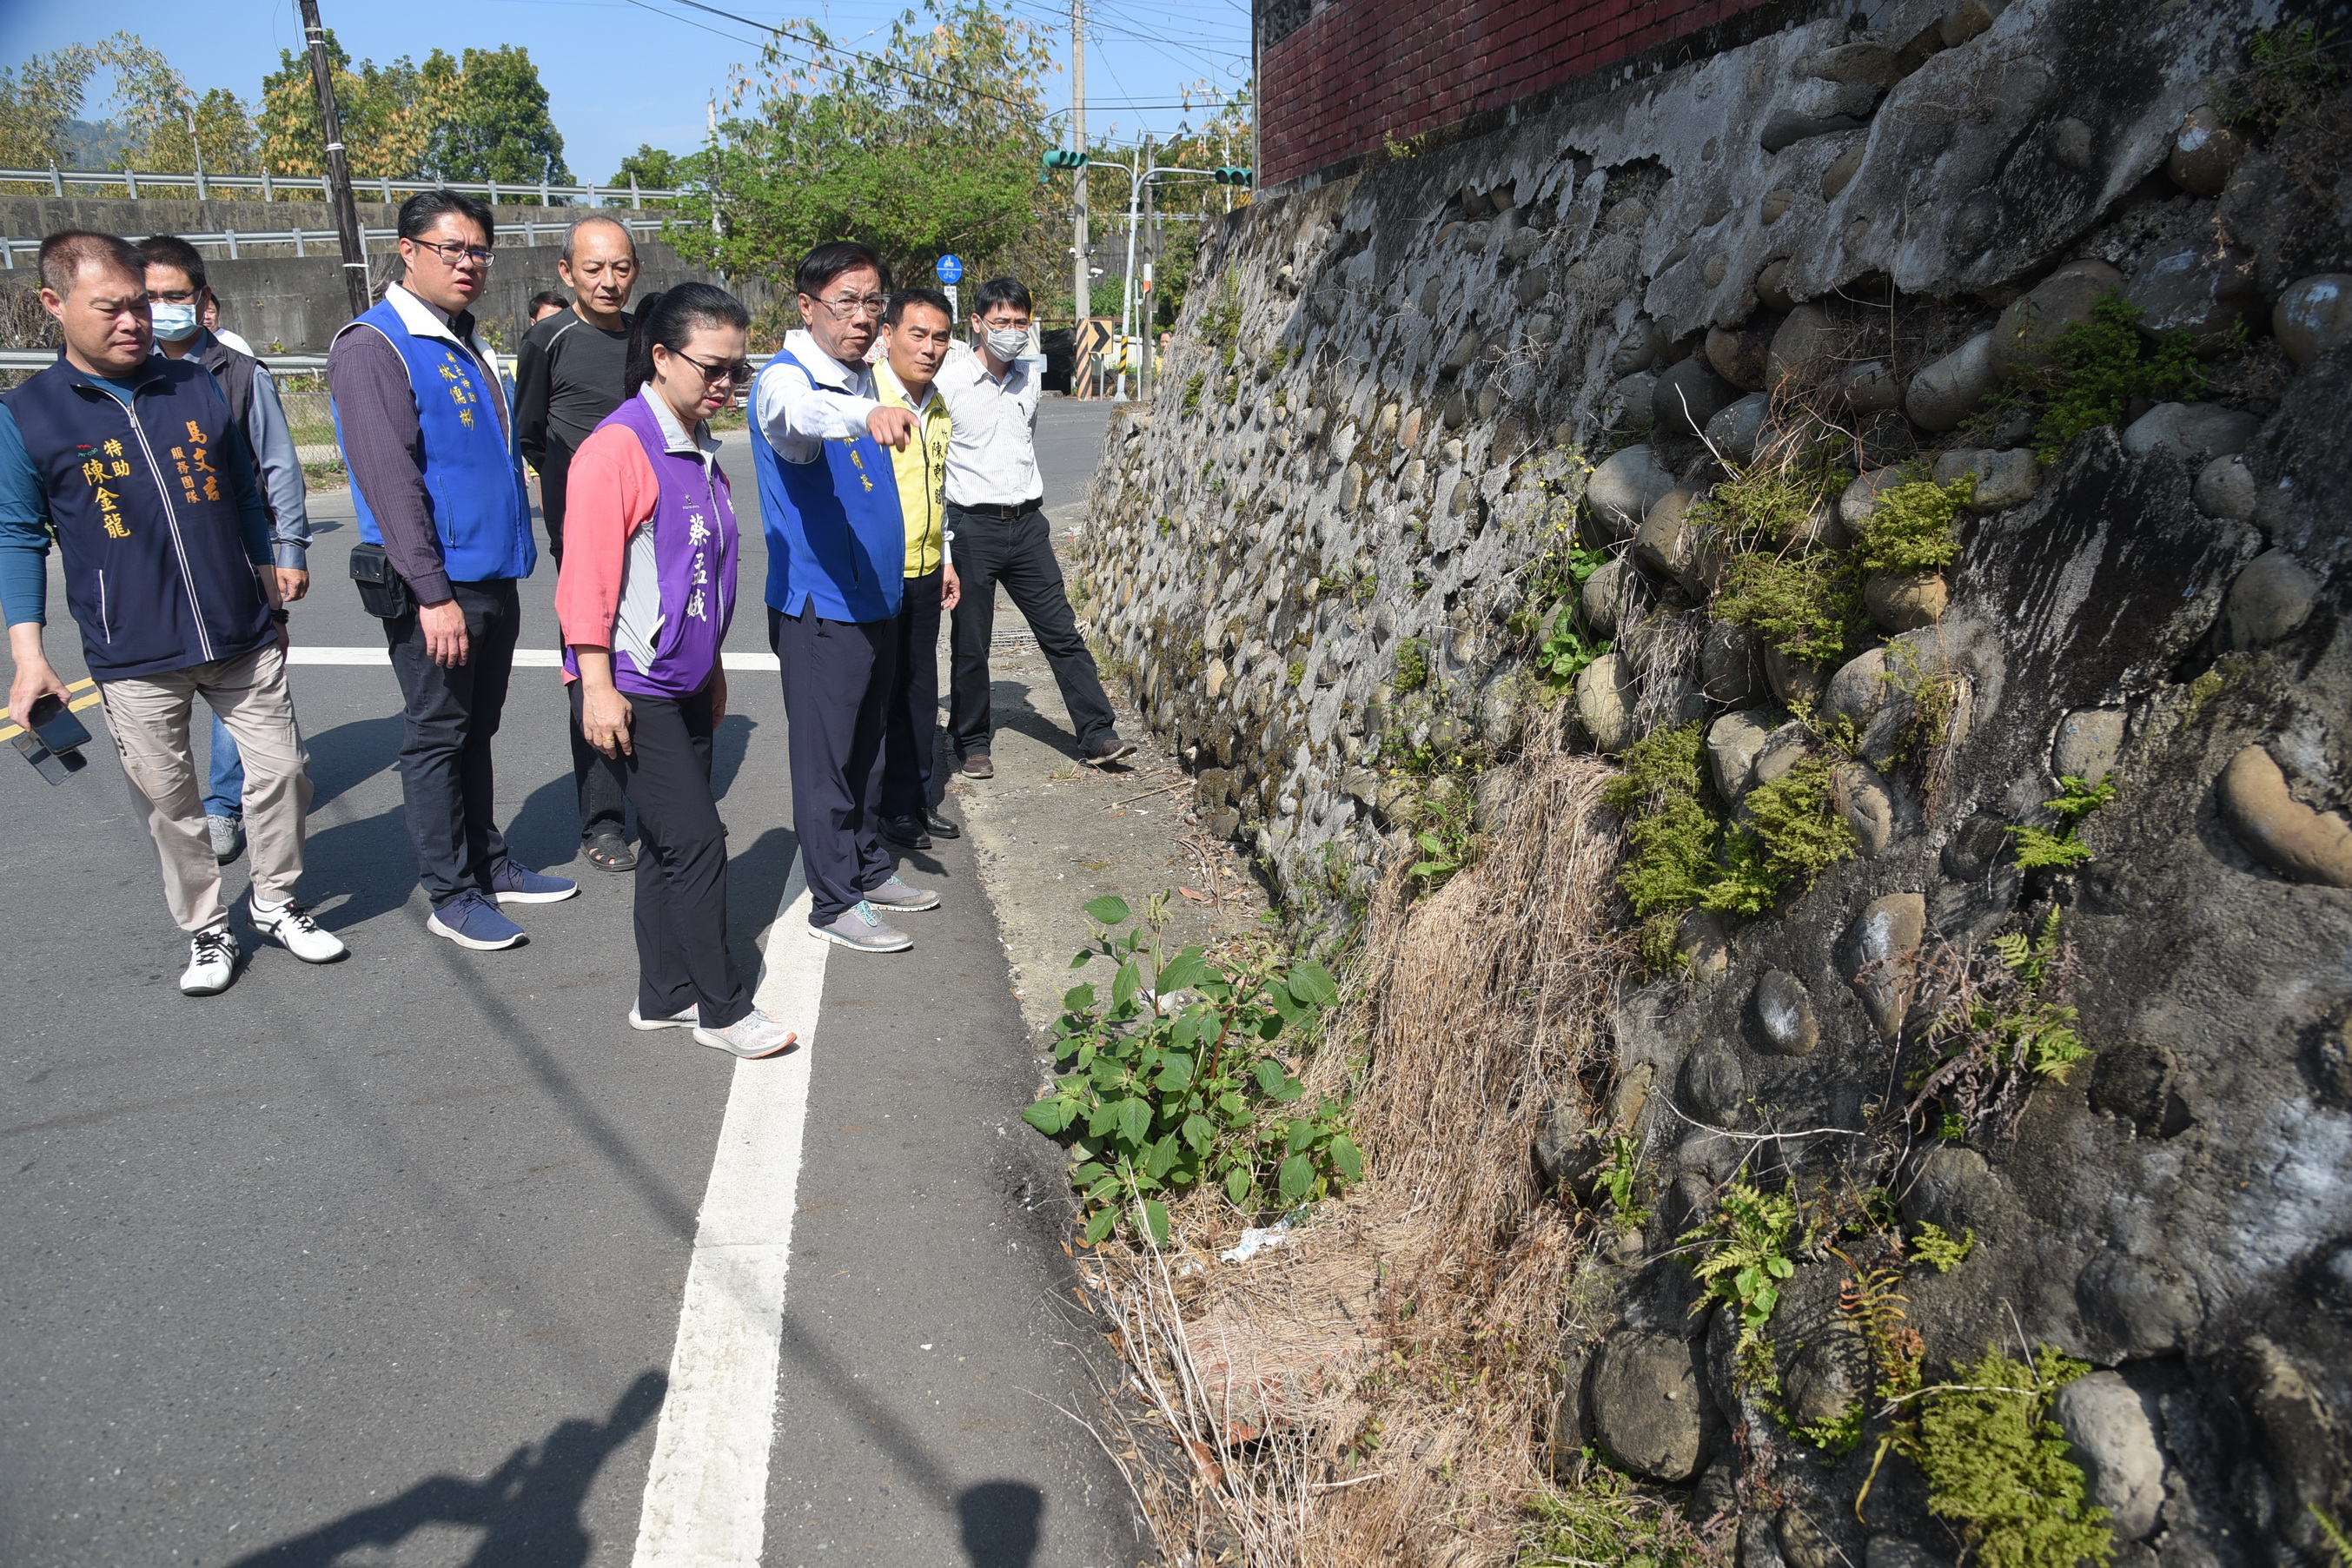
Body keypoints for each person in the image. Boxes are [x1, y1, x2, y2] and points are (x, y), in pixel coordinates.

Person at [0, 230, 344, 994]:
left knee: (283, 770)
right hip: (134, 652)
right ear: (54, 305)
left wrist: (268, 570)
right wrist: (29, 656)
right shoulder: (27, 415)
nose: (133, 322)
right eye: (110, 309)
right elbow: (17, 540)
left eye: (141, 305)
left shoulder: (195, 384)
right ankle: (207, 928)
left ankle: (276, 900)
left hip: (239, 632)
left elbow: (244, 490)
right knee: (170, 803)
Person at [328, 189, 577, 952]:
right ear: (407, 251)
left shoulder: (461, 336)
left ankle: (489, 860)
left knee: (477, 728)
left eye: (478, 250)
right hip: (437, 585)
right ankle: (452, 891)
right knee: (438, 734)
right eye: (451, 249)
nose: (468, 263)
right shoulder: (376, 345)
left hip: (489, 574)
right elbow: (390, 479)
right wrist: (432, 594)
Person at [556, 284, 796, 1059]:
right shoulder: (616, 449)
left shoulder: (695, 445)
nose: (725, 384)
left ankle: (662, 994)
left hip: (688, 679)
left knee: (667, 845)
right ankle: (721, 1008)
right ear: (660, 358)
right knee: (696, 841)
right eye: (711, 368)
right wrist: (596, 686)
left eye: (738, 368)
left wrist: (716, 667)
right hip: (631, 684)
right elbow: (584, 583)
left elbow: (698, 573)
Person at [746, 241, 941, 954]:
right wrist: (862, 417)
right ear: (806, 306)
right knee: (826, 760)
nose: (862, 318)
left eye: (871, 302)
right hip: (819, 605)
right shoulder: (785, 381)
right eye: (846, 302)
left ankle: (865, 865)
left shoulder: (860, 375)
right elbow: (799, 417)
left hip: (874, 599)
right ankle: (832, 901)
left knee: (869, 750)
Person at [139, 234, 313, 870]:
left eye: (174, 296)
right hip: (157, 566)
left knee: (240, 674)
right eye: (149, 297)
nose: (162, 308)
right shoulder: (120, 377)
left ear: (202, 298)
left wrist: (288, 548)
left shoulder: (238, 374)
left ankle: (222, 803)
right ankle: (196, 808)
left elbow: (279, 467)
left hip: (239, 558)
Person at [936, 276, 1133, 778]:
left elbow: (1024, 440)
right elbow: (933, 464)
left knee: (1061, 631)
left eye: (1020, 322)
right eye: (1000, 322)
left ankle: (1097, 732)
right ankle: (973, 741)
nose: (1010, 330)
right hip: (970, 526)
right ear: (977, 323)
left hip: (1027, 525)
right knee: (971, 642)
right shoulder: (949, 382)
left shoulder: (1028, 378)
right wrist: (943, 547)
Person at [514, 215, 643, 875]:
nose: (608, 280)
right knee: (591, 670)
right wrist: (571, 500)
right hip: (583, 536)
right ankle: (603, 820)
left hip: (651, 530)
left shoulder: (649, 338)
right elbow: (530, 433)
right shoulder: (550, 338)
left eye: (620, 267)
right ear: (567, 273)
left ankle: (655, 791)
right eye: (593, 268)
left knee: (656, 658)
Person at [871, 288, 961, 852]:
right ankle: (886, 806)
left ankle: (916, 799)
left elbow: (938, 488)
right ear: (888, 334)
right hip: (880, 572)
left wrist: (946, 555)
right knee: (882, 692)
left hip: (926, 568)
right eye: (917, 334)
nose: (930, 348)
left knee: (920, 689)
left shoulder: (938, 405)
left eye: (941, 337)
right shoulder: (866, 396)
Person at [201, 291, 255, 356]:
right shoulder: (188, 342)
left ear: (218, 313)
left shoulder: (235, 342)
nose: (206, 317)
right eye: (201, 311)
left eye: (211, 311)